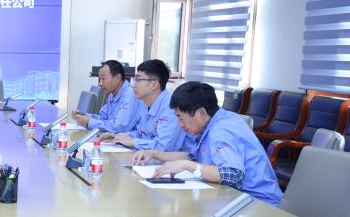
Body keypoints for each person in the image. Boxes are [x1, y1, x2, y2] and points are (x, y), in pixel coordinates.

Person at [132, 81, 284, 206]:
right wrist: (155, 154)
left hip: (259, 204)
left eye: (181, 117)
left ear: (201, 113)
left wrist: (186, 165)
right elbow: (194, 156)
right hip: (236, 198)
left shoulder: (222, 131)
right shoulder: (214, 122)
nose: (180, 124)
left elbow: (234, 176)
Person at [98, 59, 185, 151]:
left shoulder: (170, 107)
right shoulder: (146, 103)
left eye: (138, 80)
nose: (133, 85)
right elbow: (142, 134)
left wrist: (133, 142)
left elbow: (163, 147)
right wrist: (119, 136)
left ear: (154, 84)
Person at [71, 59, 144, 133]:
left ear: (117, 78)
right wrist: (85, 116)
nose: (100, 83)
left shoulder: (130, 95)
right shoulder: (112, 95)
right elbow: (103, 118)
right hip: (115, 137)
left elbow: (119, 127)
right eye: (100, 79)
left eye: (103, 79)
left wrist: (89, 122)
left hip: (129, 139)